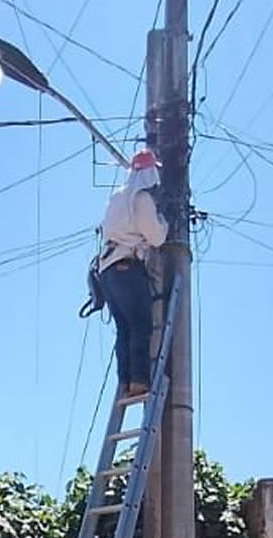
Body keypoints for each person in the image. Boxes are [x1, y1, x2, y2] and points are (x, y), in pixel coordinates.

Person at [97, 148, 168, 397]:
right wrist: (164, 221)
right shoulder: (141, 199)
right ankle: (139, 380)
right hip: (127, 267)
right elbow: (156, 237)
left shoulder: (117, 197)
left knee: (124, 328)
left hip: (107, 271)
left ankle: (124, 381)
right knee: (140, 324)